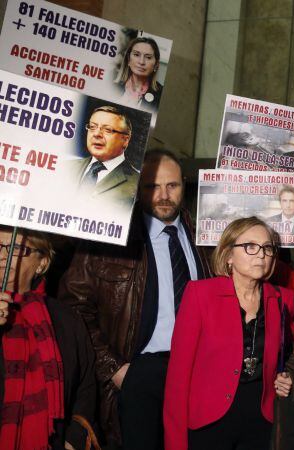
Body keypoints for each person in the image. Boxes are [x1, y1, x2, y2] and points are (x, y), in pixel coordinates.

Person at [59, 149, 212, 449]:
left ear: (184, 183)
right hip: (137, 372)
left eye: (172, 186)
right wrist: (114, 370)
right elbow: (73, 308)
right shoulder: (108, 238)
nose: (163, 195)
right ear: (137, 187)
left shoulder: (205, 237)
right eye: (152, 186)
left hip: (198, 370)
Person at [164, 217, 294, 450]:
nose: (261, 254)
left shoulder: (281, 299)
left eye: (267, 248)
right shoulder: (200, 295)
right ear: (228, 255)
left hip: (261, 423)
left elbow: (289, 356)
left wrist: (286, 376)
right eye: (250, 246)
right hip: (209, 423)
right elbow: (178, 378)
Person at [0, 227, 96, 450]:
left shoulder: (66, 318)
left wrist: (75, 439)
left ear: (42, 262)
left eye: (15, 248)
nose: (2, 256)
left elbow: (86, 385)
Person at [62, 105, 141, 210]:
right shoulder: (65, 167)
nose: (96, 134)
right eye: (92, 127)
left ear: (125, 140)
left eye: (108, 130)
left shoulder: (136, 183)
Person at [116, 37, 163, 110]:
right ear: (128, 60)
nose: (141, 62)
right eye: (136, 55)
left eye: (148, 57)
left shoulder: (161, 95)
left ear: (156, 64)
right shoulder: (112, 85)